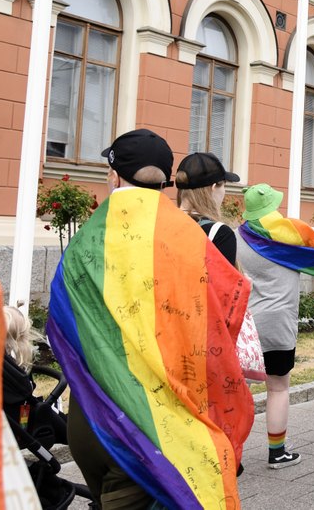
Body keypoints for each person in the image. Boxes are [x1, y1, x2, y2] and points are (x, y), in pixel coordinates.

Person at [53, 129, 253, 508]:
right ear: (164, 181)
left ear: (114, 176)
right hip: (155, 425)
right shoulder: (187, 237)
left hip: (91, 418)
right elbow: (225, 312)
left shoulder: (88, 239)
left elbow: (63, 318)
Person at [237, 178, 314, 469]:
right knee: (278, 388)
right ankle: (277, 451)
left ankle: (231, 453)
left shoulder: (238, 235)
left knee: (238, 389)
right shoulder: (286, 231)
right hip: (280, 324)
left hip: (249, 325)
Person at [175, 151, 241, 264]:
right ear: (214, 187)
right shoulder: (220, 233)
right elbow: (222, 281)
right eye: (224, 185)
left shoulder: (162, 221)